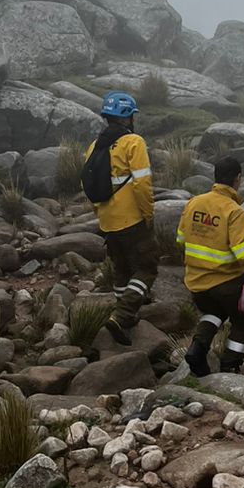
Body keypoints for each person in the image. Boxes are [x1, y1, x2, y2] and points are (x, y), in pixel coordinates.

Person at [177, 155, 244, 376]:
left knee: (214, 312)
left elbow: (180, 240)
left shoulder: (194, 203)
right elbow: (243, 254)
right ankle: (230, 365)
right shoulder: (234, 211)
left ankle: (197, 348)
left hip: (196, 284)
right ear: (237, 178)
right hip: (226, 283)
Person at [83, 92, 157, 343]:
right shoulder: (133, 142)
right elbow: (142, 184)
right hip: (132, 219)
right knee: (146, 268)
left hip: (107, 220)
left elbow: (88, 184)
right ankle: (123, 315)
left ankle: (124, 315)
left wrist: (100, 214)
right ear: (127, 117)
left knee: (122, 270)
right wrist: (148, 214)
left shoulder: (94, 146)